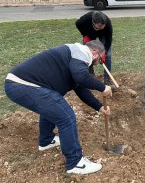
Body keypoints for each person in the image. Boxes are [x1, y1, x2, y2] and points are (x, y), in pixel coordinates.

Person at [4, 40, 113, 175]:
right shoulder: (82, 52)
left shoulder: (75, 59)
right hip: (22, 85)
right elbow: (81, 76)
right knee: (66, 118)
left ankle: (46, 141)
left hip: (22, 85)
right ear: (96, 53)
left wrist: (99, 107)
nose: (100, 62)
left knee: (51, 105)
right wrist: (103, 87)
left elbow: (81, 88)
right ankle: (75, 163)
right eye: (101, 58)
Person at [76, 11, 113, 84]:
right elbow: (77, 24)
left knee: (108, 55)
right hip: (89, 34)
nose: (101, 28)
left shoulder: (108, 24)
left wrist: (104, 53)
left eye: (103, 27)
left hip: (103, 35)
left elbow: (108, 40)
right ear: (93, 22)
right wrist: (85, 34)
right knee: (88, 53)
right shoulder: (85, 19)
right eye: (99, 27)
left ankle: (107, 80)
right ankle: (91, 76)